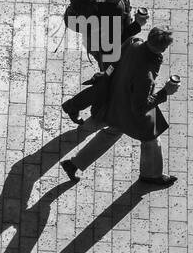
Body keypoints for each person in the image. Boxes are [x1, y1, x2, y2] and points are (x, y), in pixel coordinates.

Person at [60, 26, 180, 189]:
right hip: (129, 112)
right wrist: (165, 92)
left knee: (112, 132)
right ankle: (150, 175)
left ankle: (74, 164)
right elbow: (141, 106)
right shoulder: (146, 76)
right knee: (151, 137)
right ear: (164, 48)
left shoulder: (133, 43)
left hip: (116, 99)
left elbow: (114, 62)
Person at [61, 0, 150, 124]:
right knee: (109, 83)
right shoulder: (114, 7)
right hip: (105, 48)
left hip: (96, 39)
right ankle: (77, 107)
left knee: (108, 80)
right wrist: (137, 24)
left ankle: (93, 110)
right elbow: (114, 41)